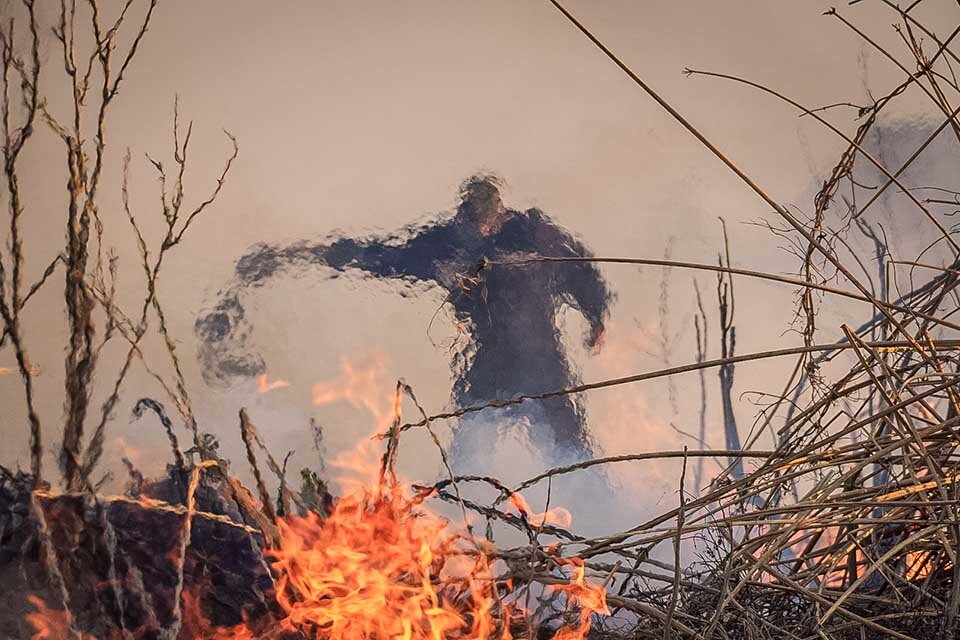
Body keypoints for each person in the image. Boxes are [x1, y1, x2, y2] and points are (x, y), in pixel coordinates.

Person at [196, 175, 613, 463]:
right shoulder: (448, 241)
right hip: (488, 363)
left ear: (501, 212)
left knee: (572, 456)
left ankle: (593, 525)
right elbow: (385, 256)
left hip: (543, 364)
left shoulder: (533, 233)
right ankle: (465, 520)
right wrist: (300, 256)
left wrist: (596, 317)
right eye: (473, 219)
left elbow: (580, 269)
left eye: (488, 218)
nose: (482, 227)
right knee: (469, 452)